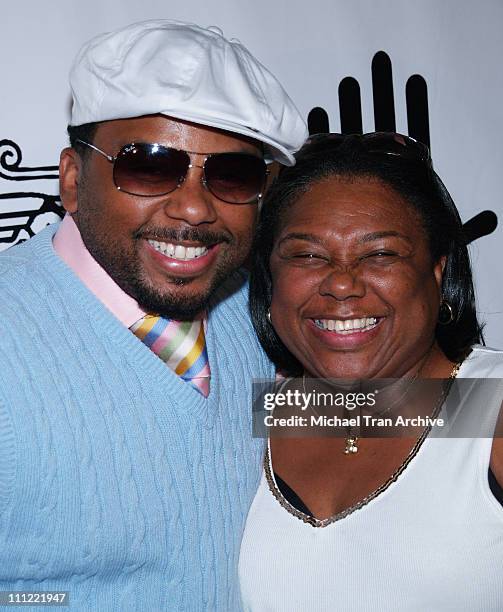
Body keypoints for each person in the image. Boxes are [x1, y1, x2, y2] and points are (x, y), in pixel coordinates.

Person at [0, 20, 307, 610]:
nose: (193, 207)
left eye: (233, 176)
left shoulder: (263, 314)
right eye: (149, 165)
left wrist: (479, 407)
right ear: (71, 178)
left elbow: (352, 415)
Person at [241, 133, 503, 611]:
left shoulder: (491, 403)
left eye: (381, 254)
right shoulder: (257, 410)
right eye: (307, 255)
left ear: (438, 271)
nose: (342, 283)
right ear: (269, 276)